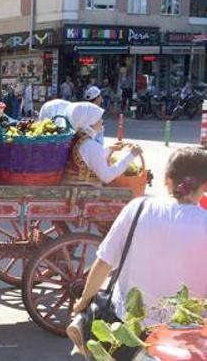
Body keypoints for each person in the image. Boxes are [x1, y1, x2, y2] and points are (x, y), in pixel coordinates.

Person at [68, 147, 207, 359]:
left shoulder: (139, 208)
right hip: (186, 339)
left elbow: (104, 263)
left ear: (166, 179)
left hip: (127, 329)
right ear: (204, 186)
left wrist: (84, 301)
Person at [65, 102, 142, 185]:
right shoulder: (90, 145)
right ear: (90, 122)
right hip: (85, 193)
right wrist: (131, 155)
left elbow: (90, 159)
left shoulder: (76, 138)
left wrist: (109, 150)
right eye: (98, 119)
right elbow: (107, 177)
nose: (102, 121)